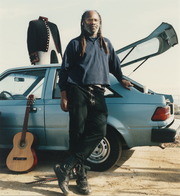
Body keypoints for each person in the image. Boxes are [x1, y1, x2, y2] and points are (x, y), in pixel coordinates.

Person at [54, 10, 133, 195]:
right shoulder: (75, 44)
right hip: (77, 91)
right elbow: (64, 71)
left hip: (98, 92)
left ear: (100, 22)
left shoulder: (106, 44)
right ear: (83, 22)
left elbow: (115, 65)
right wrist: (64, 95)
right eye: (89, 19)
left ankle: (65, 166)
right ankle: (81, 179)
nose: (93, 22)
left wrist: (121, 79)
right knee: (77, 135)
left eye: (96, 19)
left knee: (99, 131)